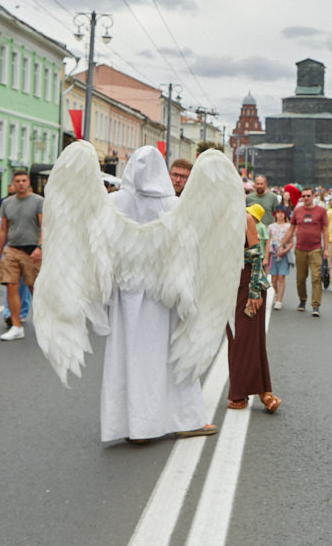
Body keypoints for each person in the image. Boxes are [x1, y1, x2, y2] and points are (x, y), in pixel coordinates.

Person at [98, 146, 218, 442]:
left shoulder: (113, 202)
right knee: (169, 354)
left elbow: (98, 244)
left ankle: (131, 426)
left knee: (125, 356)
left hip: (126, 291)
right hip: (161, 292)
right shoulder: (172, 206)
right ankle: (184, 419)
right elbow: (189, 248)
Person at [226, 206, 281, 414]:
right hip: (228, 285)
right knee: (239, 339)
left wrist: (254, 291)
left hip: (248, 283)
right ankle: (264, 393)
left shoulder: (244, 218)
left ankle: (241, 394)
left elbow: (256, 256)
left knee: (244, 339)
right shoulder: (213, 217)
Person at [0, 170, 43, 341]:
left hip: (32, 250)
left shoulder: (38, 201)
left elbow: (44, 227)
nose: (21, 183)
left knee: (34, 288)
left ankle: (44, 322)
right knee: (11, 285)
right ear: (13, 184)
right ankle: (16, 325)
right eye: (18, 181)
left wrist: (40, 247)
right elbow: (3, 230)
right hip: (13, 248)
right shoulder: (7, 203)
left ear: (28, 182)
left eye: (24, 180)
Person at [278, 188, 327, 316]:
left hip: (315, 248)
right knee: (300, 279)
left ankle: (316, 305)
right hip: (300, 249)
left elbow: (325, 230)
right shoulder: (297, 211)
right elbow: (291, 229)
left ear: (313, 196)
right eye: (304, 196)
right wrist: (282, 245)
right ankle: (302, 300)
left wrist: (326, 248)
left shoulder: (321, 211)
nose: (306, 198)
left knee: (316, 278)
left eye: (308, 195)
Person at [265, 206, 291, 310]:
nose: (280, 215)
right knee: (274, 278)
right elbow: (268, 242)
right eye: (278, 212)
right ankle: (276, 293)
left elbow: (291, 242)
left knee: (281, 277)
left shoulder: (288, 226)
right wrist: (266, 257)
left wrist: (285, 250)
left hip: (283, 254)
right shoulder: (271, 226)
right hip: (273, 253)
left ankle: (279, 299)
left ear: (285, 214)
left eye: (282, 212)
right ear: (275, 214)